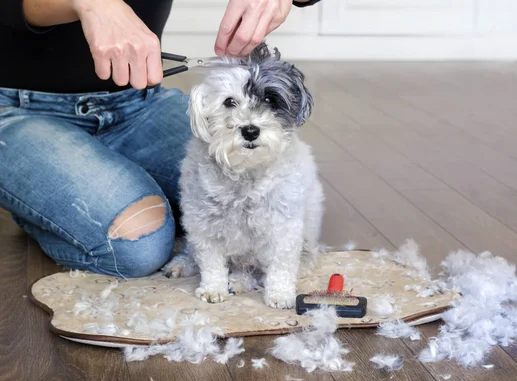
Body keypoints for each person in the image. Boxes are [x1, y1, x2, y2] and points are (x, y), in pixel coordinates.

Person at [0, 0, 321, 278]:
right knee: (140, 246)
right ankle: (40, 205)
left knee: (272, 198)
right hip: (19, 107)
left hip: (139, 102)